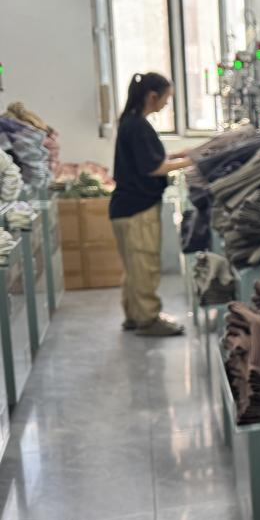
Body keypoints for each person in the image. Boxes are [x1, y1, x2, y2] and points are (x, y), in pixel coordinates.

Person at [110, 72, 192, 336]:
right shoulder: (138, 126)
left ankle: (133, 315)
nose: (167, 104)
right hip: (138, 210)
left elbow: (150, 159)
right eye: (166, 98)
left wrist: (180, 155)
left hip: (124, 208)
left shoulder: (131, 122)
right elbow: (154, 168)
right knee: (145, 265)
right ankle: (148, 320)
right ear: (152, 96)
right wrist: (194, 161)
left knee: (134, 267)